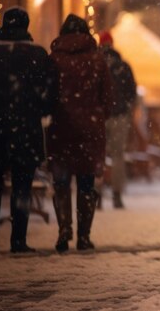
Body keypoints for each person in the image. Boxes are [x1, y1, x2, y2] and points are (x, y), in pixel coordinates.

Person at [47, 14, 113, 252]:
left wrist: (57, 112)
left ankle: (64, 229)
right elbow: (108, 98)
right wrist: (95, 116)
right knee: (86, 183)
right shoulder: (97, 60)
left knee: (61, 182)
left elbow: (47, 94)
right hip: (90, 130)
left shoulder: (54, 59)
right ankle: (84, 236)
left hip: (61, 128)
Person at [0, 7, 57, 253]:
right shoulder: (38, 55)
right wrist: (37, 111)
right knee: (22, 185)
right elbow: (49, 94)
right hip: (26, 130)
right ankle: (18, 240)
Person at [97, 30, 137, 208]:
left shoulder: (95, 64)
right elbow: (132, 92)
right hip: (119, 115)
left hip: (99, 116)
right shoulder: (122, 65)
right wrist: (126, 109)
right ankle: (117, 194)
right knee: (118, 155)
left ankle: (96, 194)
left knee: (98, 156)